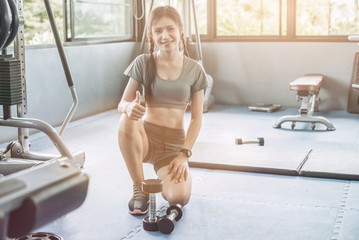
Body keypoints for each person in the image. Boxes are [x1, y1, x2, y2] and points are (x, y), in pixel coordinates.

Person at [118, 5, 208, 215]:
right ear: (152, 34)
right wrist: (129, 107)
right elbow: (122, 103)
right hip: (146, 139)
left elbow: (196, 119)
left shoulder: (195, 69)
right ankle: (139, 188)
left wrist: (184, 155)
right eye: (157, 31)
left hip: (173, 147)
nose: (164, 35)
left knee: (179, 198)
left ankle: (163, 176)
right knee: (126, 119)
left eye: (170, 29)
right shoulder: (143, 63)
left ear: (180, 30)